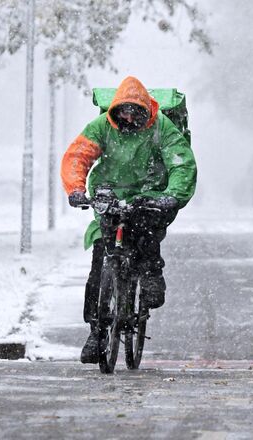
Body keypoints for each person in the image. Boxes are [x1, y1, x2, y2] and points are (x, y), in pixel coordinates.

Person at [60, 75, 197, 363]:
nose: (129, 118)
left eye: (136, 112)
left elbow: (180, 162)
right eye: (123, 111)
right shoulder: (101, 128)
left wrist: (172, 194)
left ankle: (151, 275)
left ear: (146, 111)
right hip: (109, 196)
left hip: (148, 194)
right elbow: (78, 156)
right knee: (100, 264)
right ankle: (96, 333)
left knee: (146, 236)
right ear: (114, 111)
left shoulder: (162, 128)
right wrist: (75, 188)